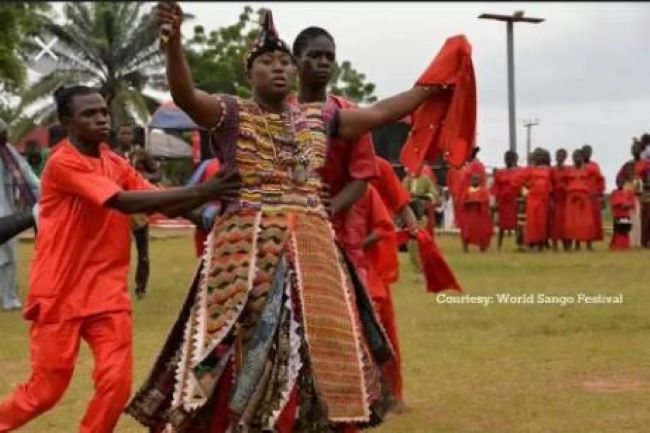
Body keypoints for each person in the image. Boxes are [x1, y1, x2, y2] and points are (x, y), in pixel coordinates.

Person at [126, 5, 455, 432]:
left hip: (314, 245)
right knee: (233, 340)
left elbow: (380, 113)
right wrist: (173, 46)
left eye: (283, 62)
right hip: (245, 248)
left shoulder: (319, 117)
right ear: (251, 74)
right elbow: (187, 96)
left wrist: (431, 86)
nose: (278, 69)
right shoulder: (231, 113)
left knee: (323, 341)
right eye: (267, 62)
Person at [0, 85, 240, 433]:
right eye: (89, 114)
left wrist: (204, 211)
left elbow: (157, 199)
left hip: (106, 294)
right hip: (60, 293)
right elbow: (122, 202)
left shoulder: (114, 161)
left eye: (103, 112)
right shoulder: (62, 163)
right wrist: (206, 190)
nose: (101, 119)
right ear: (67, 121)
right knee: (45, 392)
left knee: (117, 385)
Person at [0, 119, 40, 311]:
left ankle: (9, 296)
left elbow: (28, 176)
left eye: (5, 132)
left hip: (6, 213)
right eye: (3, 133)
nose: (6, 137)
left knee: (9, 256)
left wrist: (47, 197)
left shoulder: (8, 152)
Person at [115, 123, 155, 299]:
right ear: (117, 136)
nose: (125, 136)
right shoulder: (111, 155)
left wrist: (141, 178)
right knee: (116, 252)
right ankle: (117, 288)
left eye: (128, 133)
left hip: (138, 208)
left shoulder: (141, 154)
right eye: (122, 133)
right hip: (118, 207)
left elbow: (157, 174)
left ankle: (141, 288)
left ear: (133, 136)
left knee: (143, 253)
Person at [514, 148, 552, 251]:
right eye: (537, 155)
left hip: (544, 199)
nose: (539, 158)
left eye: (541, 156)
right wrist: (526, 185)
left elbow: (549, 185)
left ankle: (540, 243)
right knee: (532, 221)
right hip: (533, 198)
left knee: (541, 221)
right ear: (534, 157)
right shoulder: (529, 169)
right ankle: (532, 242)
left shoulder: (547, 169)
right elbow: (516, 179)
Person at [185, 157, 222, 257]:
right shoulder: (243, 164)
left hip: (206, 217)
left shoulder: (207, 163)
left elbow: (190, 189)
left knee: (204, 263)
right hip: (228, 220)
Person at [564, 149, 594, 251]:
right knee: (574, 222)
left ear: (582, 158)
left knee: (587, 221)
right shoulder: (569, 170)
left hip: (585, 198)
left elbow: (593, 183)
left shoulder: (588, 170)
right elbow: (564, 183)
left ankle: (588, 244)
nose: (576, 158)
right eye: (574, 156)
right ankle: (576, 244)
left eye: (578, 156)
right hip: (572, 198)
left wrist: (591, 193)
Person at [491, 150, 521, 250]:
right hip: (503, 202)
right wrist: (496, 202)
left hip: (514, 201)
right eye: (506, 158)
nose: (508, 160)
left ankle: (519, 244)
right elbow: (496, 188)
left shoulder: (519, 172)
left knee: (517, 224)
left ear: (514, 159)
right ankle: (499, 245)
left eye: (510, 158)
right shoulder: (500, 172)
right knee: (502, 226)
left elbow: (521, 186)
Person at [459, 172, 492, 252]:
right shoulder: (467, 190)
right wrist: (468, 202)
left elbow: (486, 200)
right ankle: (465, 247)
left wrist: (477, 201)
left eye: (477, 179)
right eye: (473, 179)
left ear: (479, 180)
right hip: (469, 214)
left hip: (480, 214)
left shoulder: (483, 190)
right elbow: (462, 201)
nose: (475, 181)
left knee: (482, 232)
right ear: (470, 180)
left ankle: (482, 247)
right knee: (467, 232)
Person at [581, 144, 605, 249]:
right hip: (580, 196)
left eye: (589, 151)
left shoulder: (595, 165)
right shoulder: (577, 165)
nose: (587, 153)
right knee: (579, 220)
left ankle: (589, 244)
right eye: (585, 151)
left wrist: (599, 193)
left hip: (592, 196)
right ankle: (577, 243)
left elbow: (600, 180)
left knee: (591, 221)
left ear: (591, 153)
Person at [549, 148, 570, 251]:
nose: (559, 158)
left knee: (566, 223)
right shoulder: (552, 170)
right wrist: (551, 199)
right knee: (555, 223)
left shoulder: (568, 170)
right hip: (556, 199)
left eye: (561, 156)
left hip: (566, 199)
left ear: (565, 157)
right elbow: (550, 185)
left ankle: (567, 244)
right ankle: (555, 246)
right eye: (558, 155)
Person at [609, 177, 636, 250]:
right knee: (618, 230)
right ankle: (617, 245)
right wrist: (621, 204)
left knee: (625, 230)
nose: (619, 184)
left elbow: (632, 204)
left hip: (626, 215)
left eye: (621, 182)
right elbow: (613, 203)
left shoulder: (629, 193)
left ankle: (625, 245)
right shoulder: (615, 192)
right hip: (618, 215)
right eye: (618, 182)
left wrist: (627, 205)